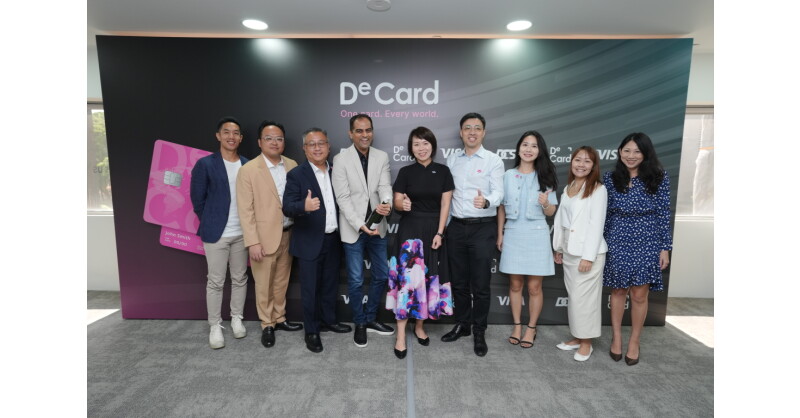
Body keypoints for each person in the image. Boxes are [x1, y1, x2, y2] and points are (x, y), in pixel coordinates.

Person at [603, 132, 672, 366]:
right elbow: (606, 213)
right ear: (620, 152)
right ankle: (616, 338)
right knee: (618, 291)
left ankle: (634, 341)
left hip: (648, 238)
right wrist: (602, 244)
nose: (631, 155)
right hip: (617, 237)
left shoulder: (659, 176)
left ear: (645, 154)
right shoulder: (611, 178)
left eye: (637, 151)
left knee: (639, 294)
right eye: (627, 150)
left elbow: (663, 213)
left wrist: (665, 247)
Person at [386, 127, 455, 359]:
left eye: (425, 143)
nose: (421, 148)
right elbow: (397, 201)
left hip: (433, 231)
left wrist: (440, 233)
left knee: (428, 279)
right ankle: (400, 334)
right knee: (407, 281)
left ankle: (419, 326)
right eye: (416, 144)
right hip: (410, 233)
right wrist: (401, 205)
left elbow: (445, 205)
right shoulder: (405, 172)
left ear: (432, 145)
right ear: (411, 148)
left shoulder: (443, 171)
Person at [283, 128, 352, 353]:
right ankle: (311, 331)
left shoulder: (337, 171)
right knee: (310, 289)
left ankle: (329, 321)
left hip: (333, 239)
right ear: (304, 148)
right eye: (311, 144)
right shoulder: (296, 174)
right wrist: (303, 206)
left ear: (328, 147)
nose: (317, 148)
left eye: (321, 143)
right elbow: (287, 206)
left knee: (330, 285)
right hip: (309, 241)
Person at [441, 112, 504, 357]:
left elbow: (499, 193)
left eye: (477, 128)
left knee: (480, 284)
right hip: (456, 227)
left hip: (482, 228)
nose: (472, 132)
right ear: (461, 132)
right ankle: (463, 324)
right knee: (458, 282)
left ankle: (479, 331)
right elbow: (447, 196)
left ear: (483, 133)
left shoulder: (493, 160)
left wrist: (486, 200)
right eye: (467, 128)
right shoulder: (452, 160)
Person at [237, 120, 303, 349]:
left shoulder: (292, 164)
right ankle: (267, 324)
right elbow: (245, 210)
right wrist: (252, 242)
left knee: (281, 281)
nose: (274, 142)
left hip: (289, 233)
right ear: (259, 142)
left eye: (279, 138)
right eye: (269, 138)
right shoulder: (248, 170)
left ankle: (280, 318)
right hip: (263, 238)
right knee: (264, 284)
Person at [332, 114, 395, 348]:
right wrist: (361, 224)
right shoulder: (341, 159)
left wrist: (386, 203)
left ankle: (370, 318)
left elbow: (385, 186)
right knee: (356, 280)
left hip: (378, 226)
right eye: (359, 131)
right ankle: (359, 322)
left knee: (381, 275)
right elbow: (343, 198)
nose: (364, 135)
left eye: (368, 130)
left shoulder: (381, 156)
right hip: (354, 228)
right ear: (351, 133)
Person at [190, 116, 250, 349]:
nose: (231, 137)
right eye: (226, 132)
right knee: (215, 281)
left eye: (235, 133)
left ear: (241, 138)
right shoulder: (205, 164)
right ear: (218, 136)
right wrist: (212, 220)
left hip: (242, 233)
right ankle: (215, 325)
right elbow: (198, 200)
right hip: (216, 234)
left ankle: (236, 318)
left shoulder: (247, 164)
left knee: (240, 278)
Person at [496, 131, 558, 349]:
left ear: (539, 151)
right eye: (525, 144)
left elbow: (551, 212)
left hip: (537, 234)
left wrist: (545, 203)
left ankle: (531, 327)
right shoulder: (508, 175)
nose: (528, 149)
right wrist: (500, 233)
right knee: (515, 284)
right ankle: (517, 326)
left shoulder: (546, 176)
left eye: (533, 146)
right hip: (513, 232)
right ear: (519, 148)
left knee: (534, 287)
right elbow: (501, 207)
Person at [552, 146, 608, 361]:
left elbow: (596, 225)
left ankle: (587, 343)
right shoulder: (569, 187)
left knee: (586, 300)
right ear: (572, 162)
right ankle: (577, 337)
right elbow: (561, 221)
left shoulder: (598, 189)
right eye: (578, 160)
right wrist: (559, 248)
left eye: (587, 161)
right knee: (575, 299)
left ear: (593, 166)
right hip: (569, 251)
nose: (581, 164)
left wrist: (588, 257)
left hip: (588, 254)